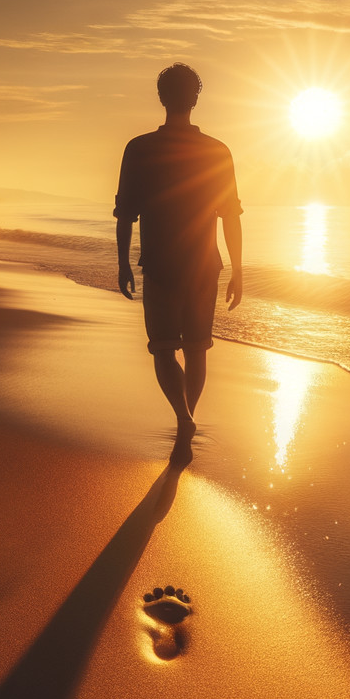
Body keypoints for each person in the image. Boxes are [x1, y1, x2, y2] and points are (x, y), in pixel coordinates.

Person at [114, 63, 244, 445]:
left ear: (161, 97)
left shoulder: (139, 149)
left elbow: (125, 214)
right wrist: (238, 268)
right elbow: (231, 216)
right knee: (197, 348)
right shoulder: (217, 151)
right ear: (196, 98)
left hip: (159, 264)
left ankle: (183, 415)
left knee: (164, 349)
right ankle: (189, 415)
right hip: (204, 265)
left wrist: (123, 262)